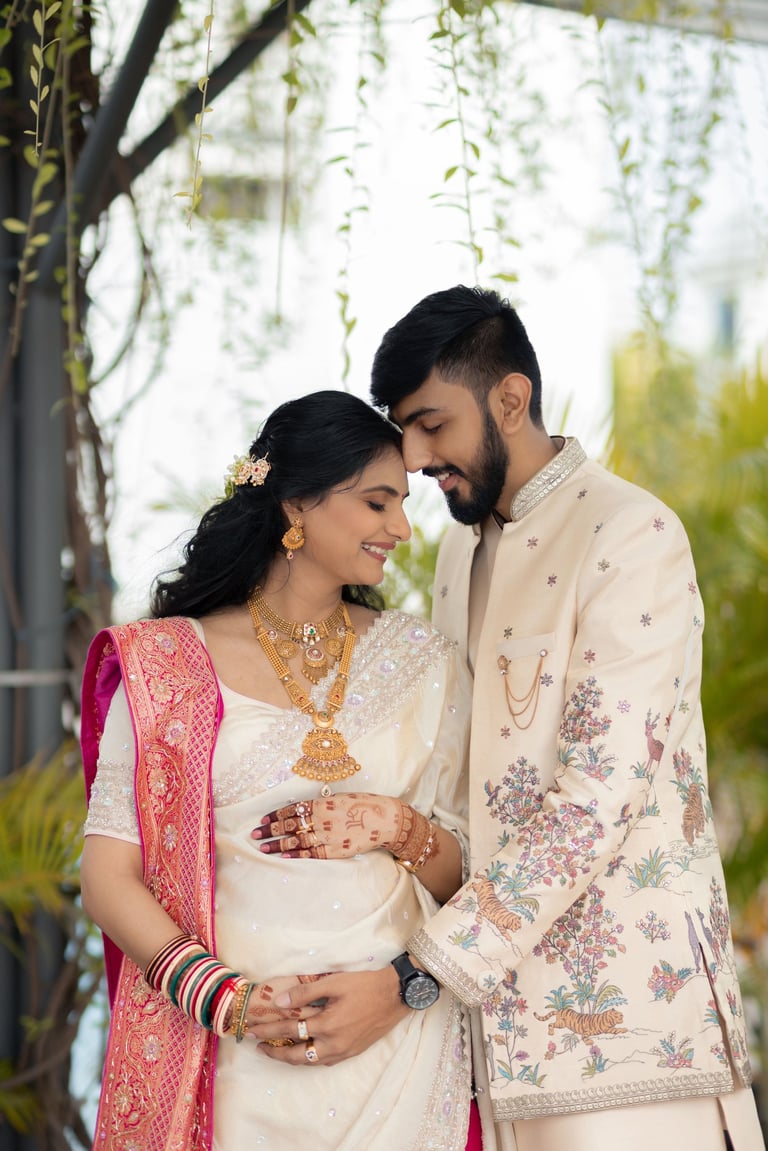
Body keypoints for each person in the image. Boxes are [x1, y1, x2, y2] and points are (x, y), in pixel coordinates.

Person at [360, 285, 763, 1151]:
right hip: (493, 1033)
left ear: (511, 398)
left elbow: (597, 797)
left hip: (629, 1033)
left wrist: (420, 973)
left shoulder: (631, 534)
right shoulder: (461, 549)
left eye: (432, 423)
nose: (415, 457)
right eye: (404, 429)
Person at [79, 390, 475, 1151]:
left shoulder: (424, 661)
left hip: (402, 1048)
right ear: (297, 503)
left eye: (401, 503)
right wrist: (226, 1000)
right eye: (376, 502)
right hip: (237, 1055)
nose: (400, 528)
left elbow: (471, 880)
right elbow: (107, 876)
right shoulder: (169, 665)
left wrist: (397, 826)